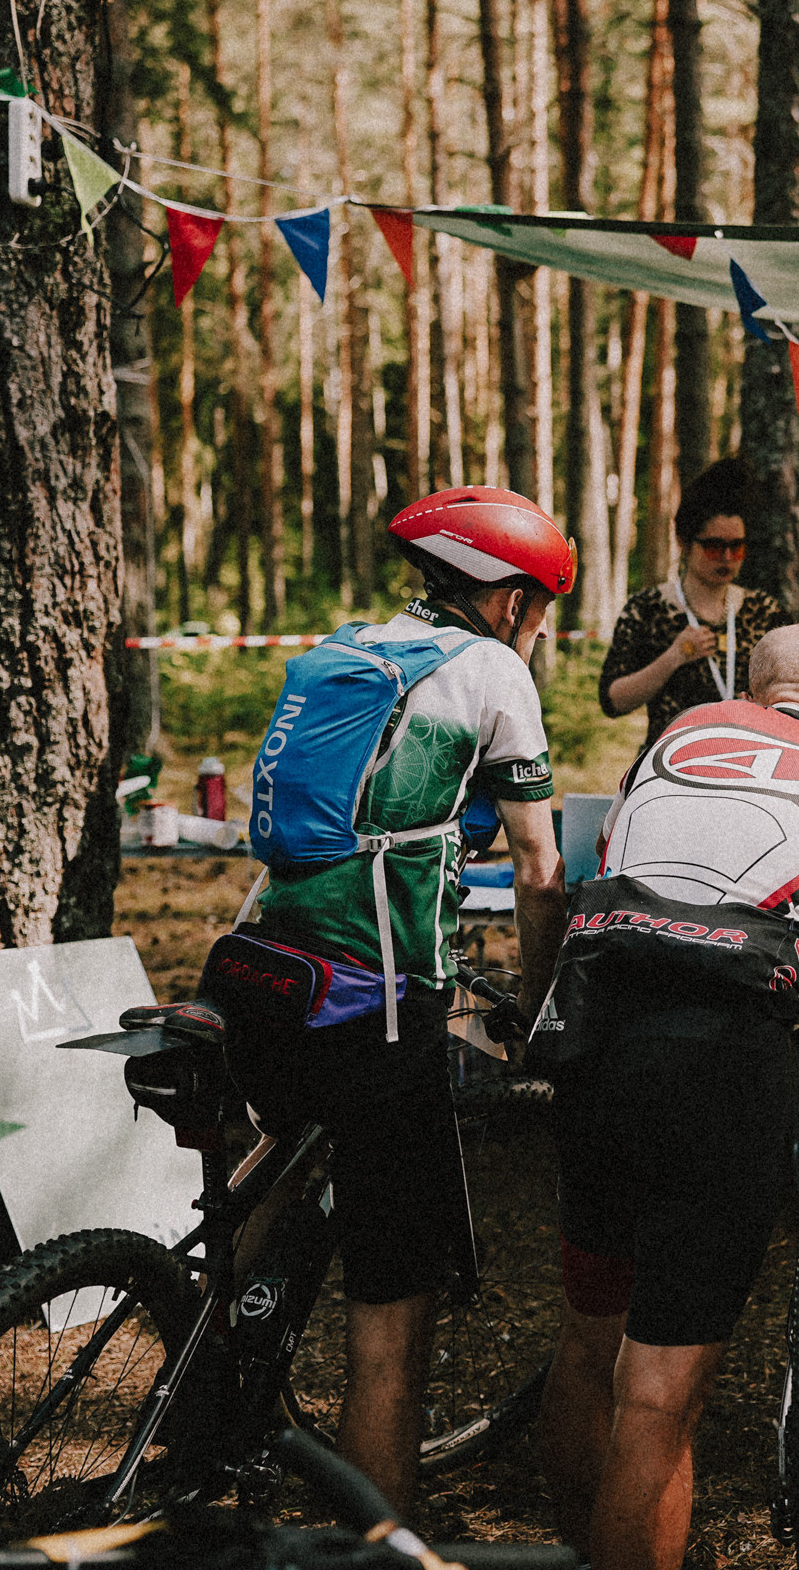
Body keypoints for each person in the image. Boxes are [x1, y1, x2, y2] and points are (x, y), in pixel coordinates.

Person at [535, 623, 799, 1570]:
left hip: (598, 1033)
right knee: (660, 1401)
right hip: (721, 1062)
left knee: (588, 1347)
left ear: (748, 690)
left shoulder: (678, 734)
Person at [221, 485, 574, 1508]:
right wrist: (544, 1010)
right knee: (395, 1287)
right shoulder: (494, 667)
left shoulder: (346, 648)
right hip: (378, 1001)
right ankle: (378, 1529)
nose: (541, 628)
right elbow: (541, 865)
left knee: (266, 1184)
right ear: (510, 601)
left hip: (264, 966)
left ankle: (208, 1395)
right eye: (545, 605)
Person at [598, 457, 799, 747]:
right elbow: (612, 700)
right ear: (684, 542)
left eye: (737, 547)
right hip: (670, 765)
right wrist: (673, 657)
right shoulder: (648, 609)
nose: (727, 558)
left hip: (748, 764)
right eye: (714, 547)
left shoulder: (766, 612)